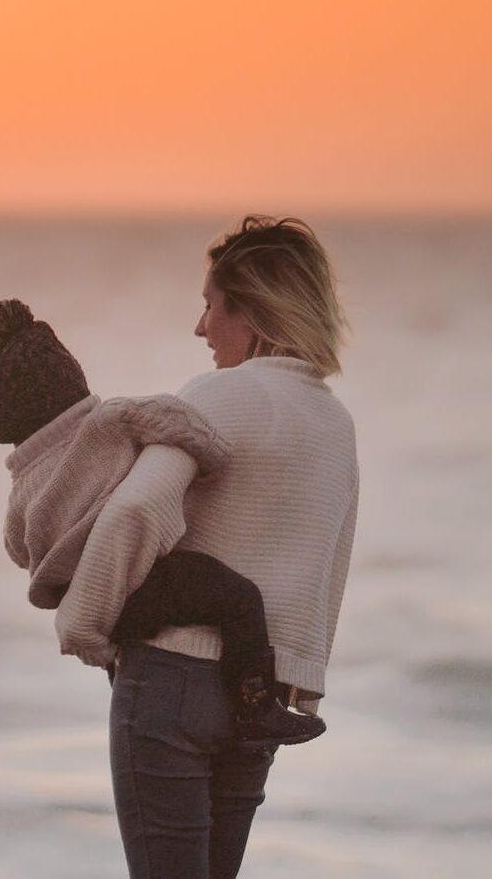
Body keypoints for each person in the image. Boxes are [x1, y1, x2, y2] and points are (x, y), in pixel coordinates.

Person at [55, 215, 361, 879]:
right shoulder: (335, 422)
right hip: (259, 699)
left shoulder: (220, 393)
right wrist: (300, 690)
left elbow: (137, 507)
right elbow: (328, 569)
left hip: (174, 681)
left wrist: (85, 625)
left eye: (210, 306)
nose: (200, 328)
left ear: (250, 310)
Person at [0, 299, 323, 746]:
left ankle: (135, 709)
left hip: (92, 602)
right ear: (71, 379)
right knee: (239, 599)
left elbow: (18, 550)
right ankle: (254, 704)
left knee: (127, 670)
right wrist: (211, 459)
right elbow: (174, 419)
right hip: (145, 577)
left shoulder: (21, 490)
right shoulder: (110, 420)